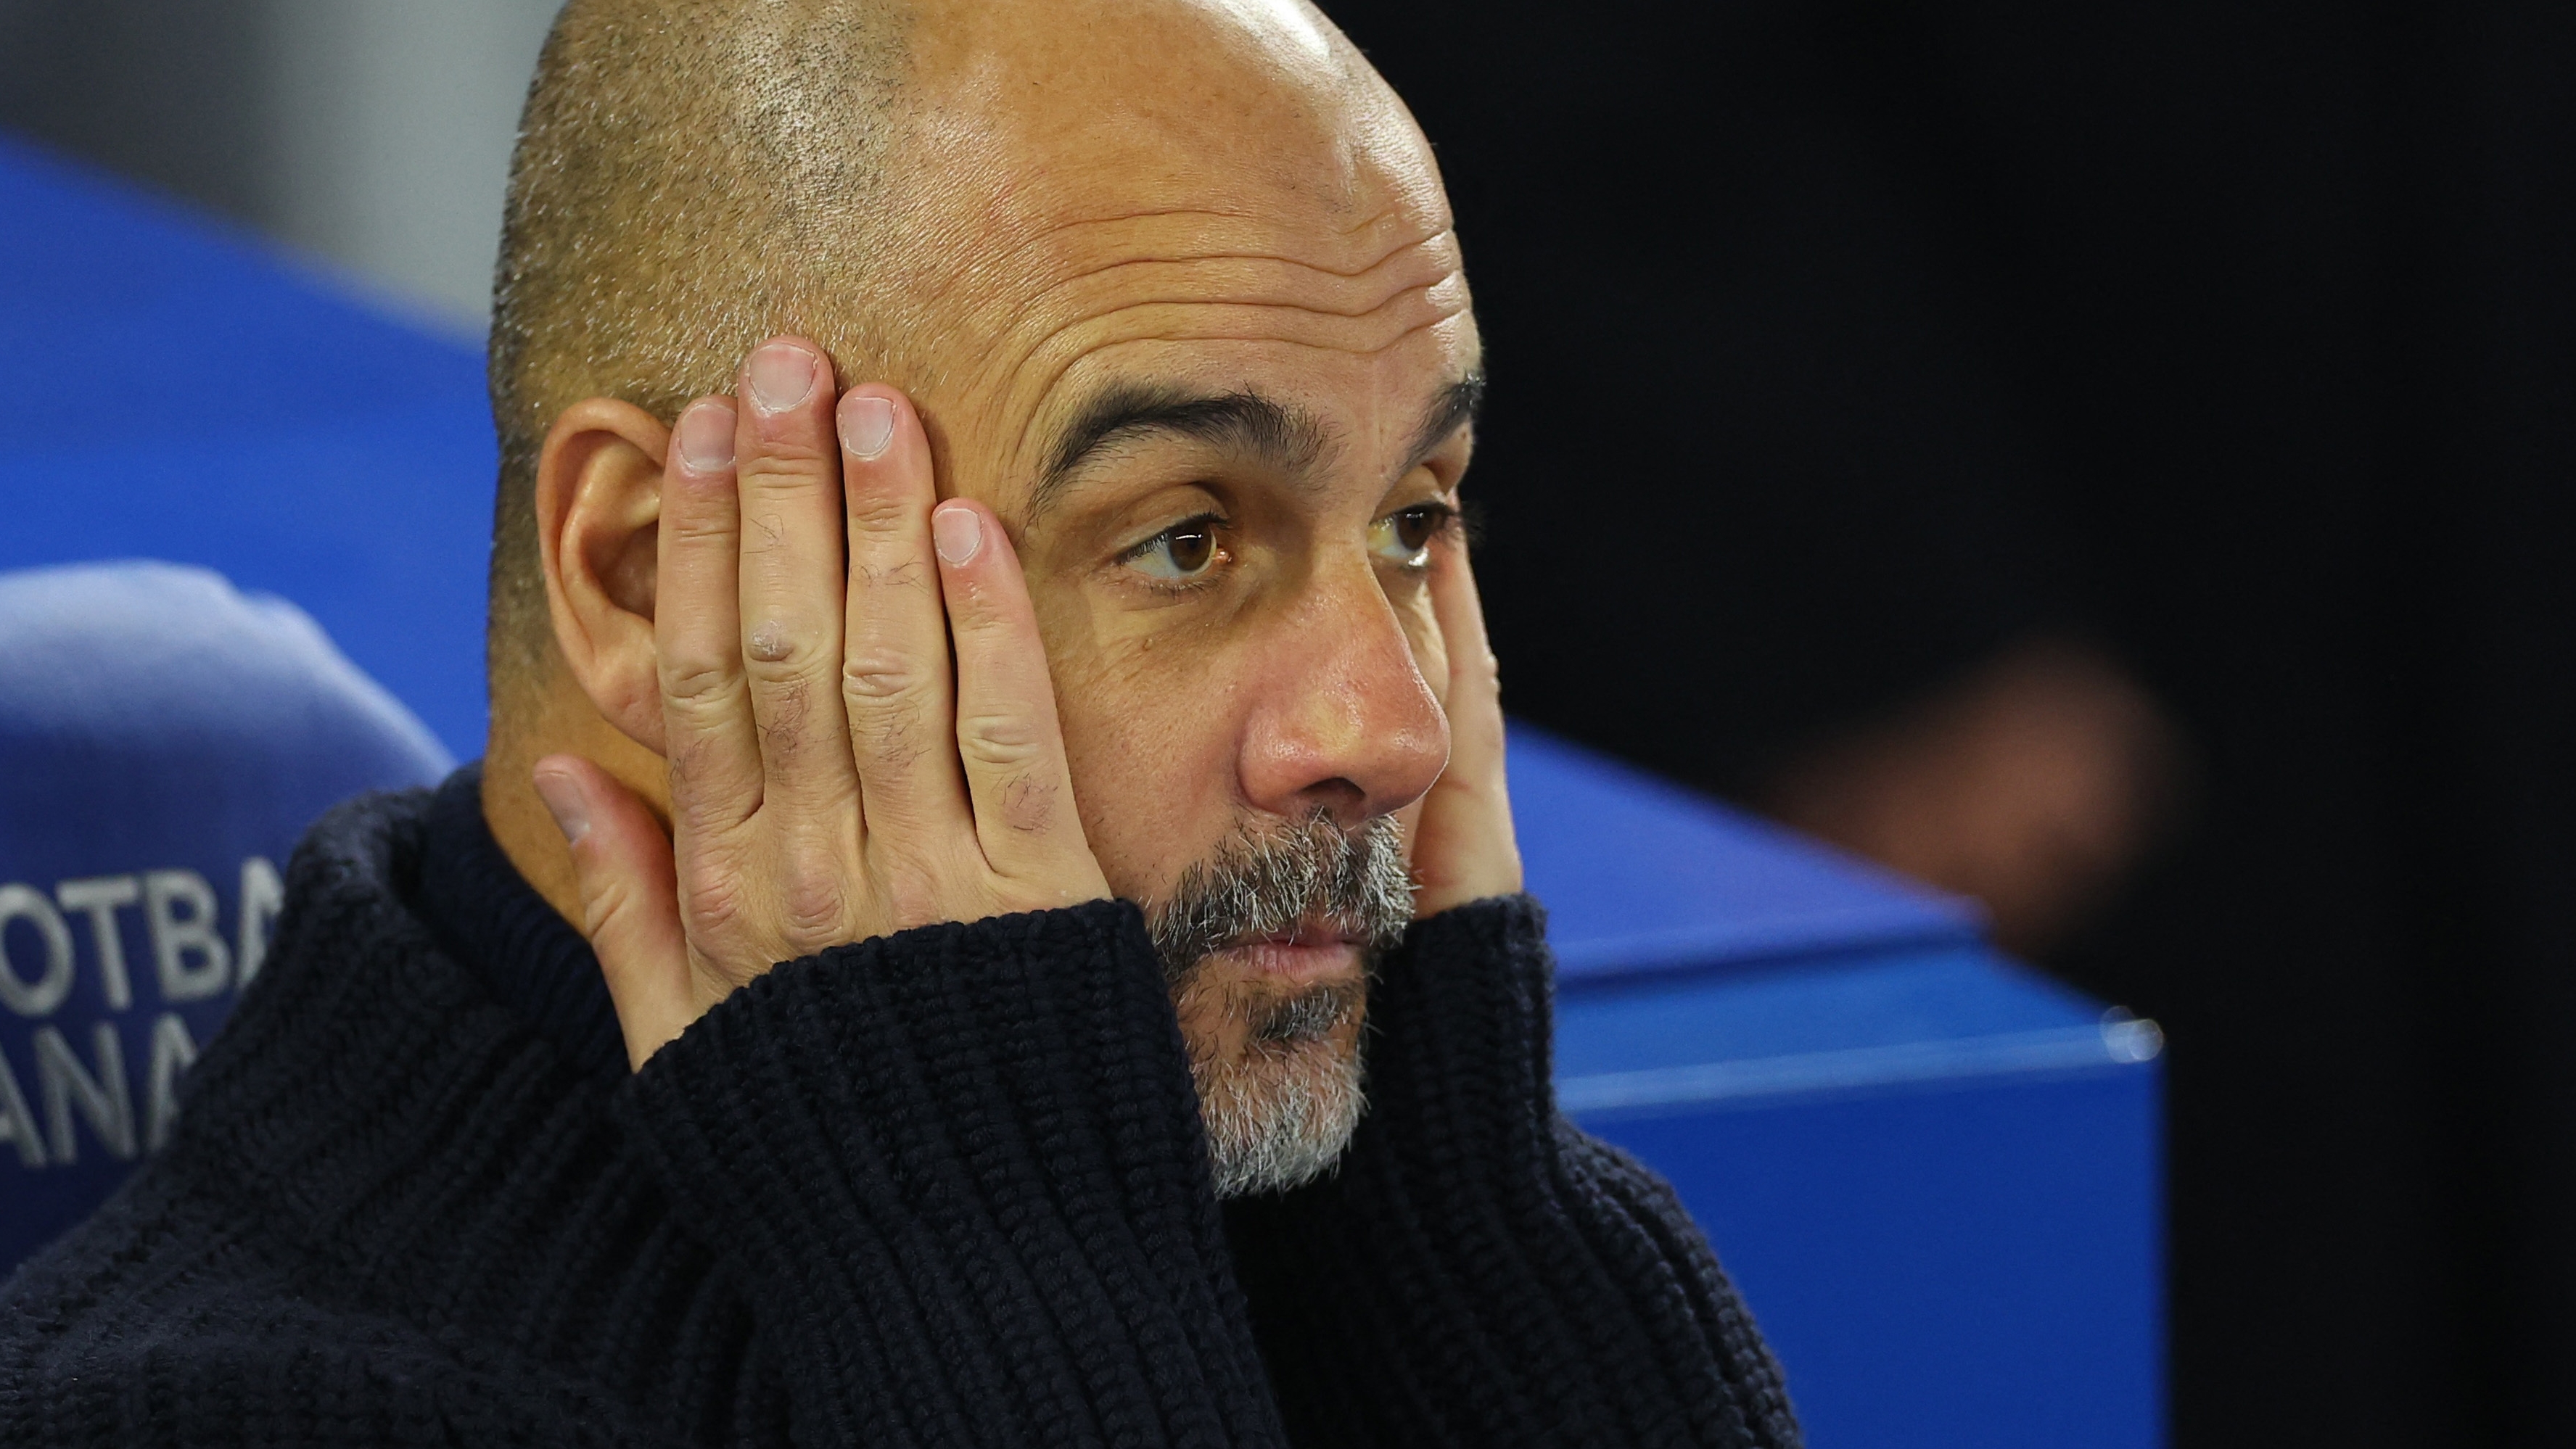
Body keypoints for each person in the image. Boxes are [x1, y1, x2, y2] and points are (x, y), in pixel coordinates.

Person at [0, 1, 1801, 1445]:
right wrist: (1004, 1274)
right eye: (1185, 538)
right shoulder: (214, 1408)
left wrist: (1462, 1254)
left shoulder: (1367, 1234)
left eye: (1414, 518)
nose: (1393, 728)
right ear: (642, 579)